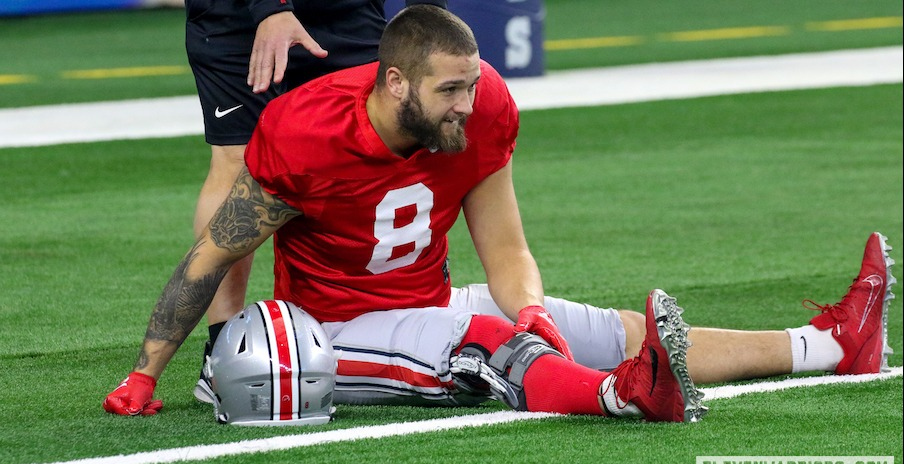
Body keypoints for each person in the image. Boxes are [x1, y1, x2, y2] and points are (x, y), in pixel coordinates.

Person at [104, 5, 894, 422]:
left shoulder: (479, 115)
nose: (468, 103)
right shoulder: (305, 132)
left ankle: (831, 344)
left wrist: (535, 312)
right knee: (485, 343)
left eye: (473, 83)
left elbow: (507, 251)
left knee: (604, 328)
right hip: (336, 332)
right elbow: (213, 253)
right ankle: (623, 398)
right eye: (450, 89)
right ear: (393, 84)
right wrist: (147, 372)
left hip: (429, 303)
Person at [184, 0, 446, 403]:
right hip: (235, 14)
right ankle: (223, 345)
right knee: (236, 160)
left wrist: (434, 20)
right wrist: (271, 9)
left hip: (345, 9)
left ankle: (371, 314)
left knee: (374, 132)